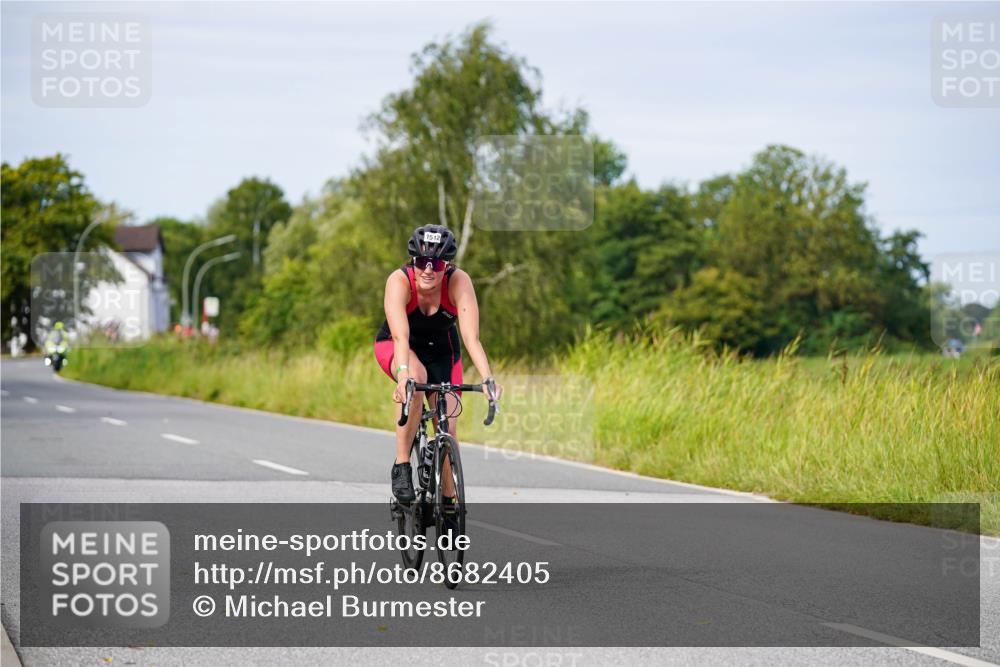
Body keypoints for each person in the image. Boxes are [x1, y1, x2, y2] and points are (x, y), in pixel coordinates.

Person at [374, 225, 502, 504]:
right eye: (421, 262)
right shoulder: (399, 281)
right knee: (415, 382)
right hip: (398, 347)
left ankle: (448, 501)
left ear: (448, 265)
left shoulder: (459, 282)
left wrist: (487, 378)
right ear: (412, 262)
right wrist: (404, 375)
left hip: (443, 351)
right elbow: (400, 335)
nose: (428, 270)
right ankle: (402, 464)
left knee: (448, 427)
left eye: (437, 263)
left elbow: (471, 337)